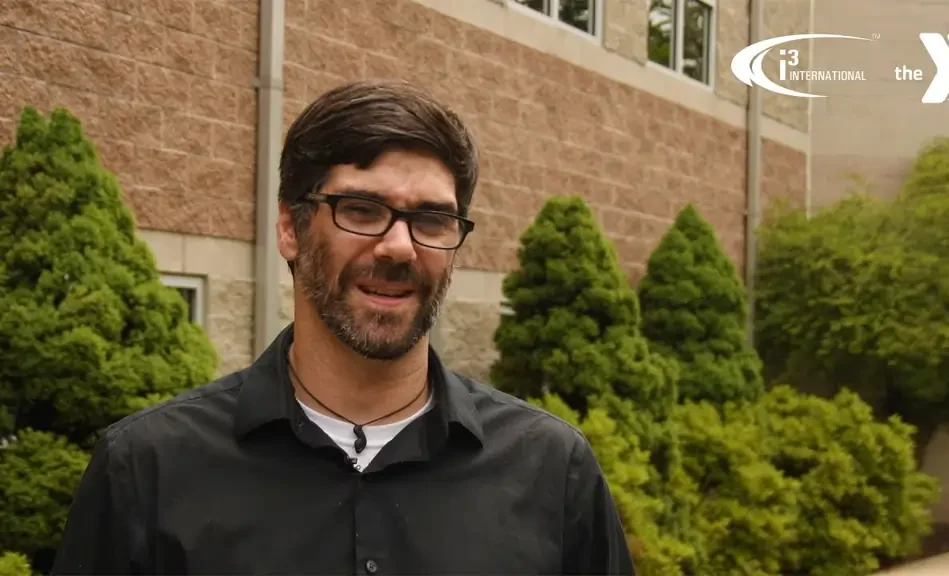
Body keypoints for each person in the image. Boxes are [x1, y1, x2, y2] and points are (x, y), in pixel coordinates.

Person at [50, 80, 635, 576]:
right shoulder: (147, 469)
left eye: (432, 218)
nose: (399, 247)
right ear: (290, 228)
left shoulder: (553, 472)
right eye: (361, 209)